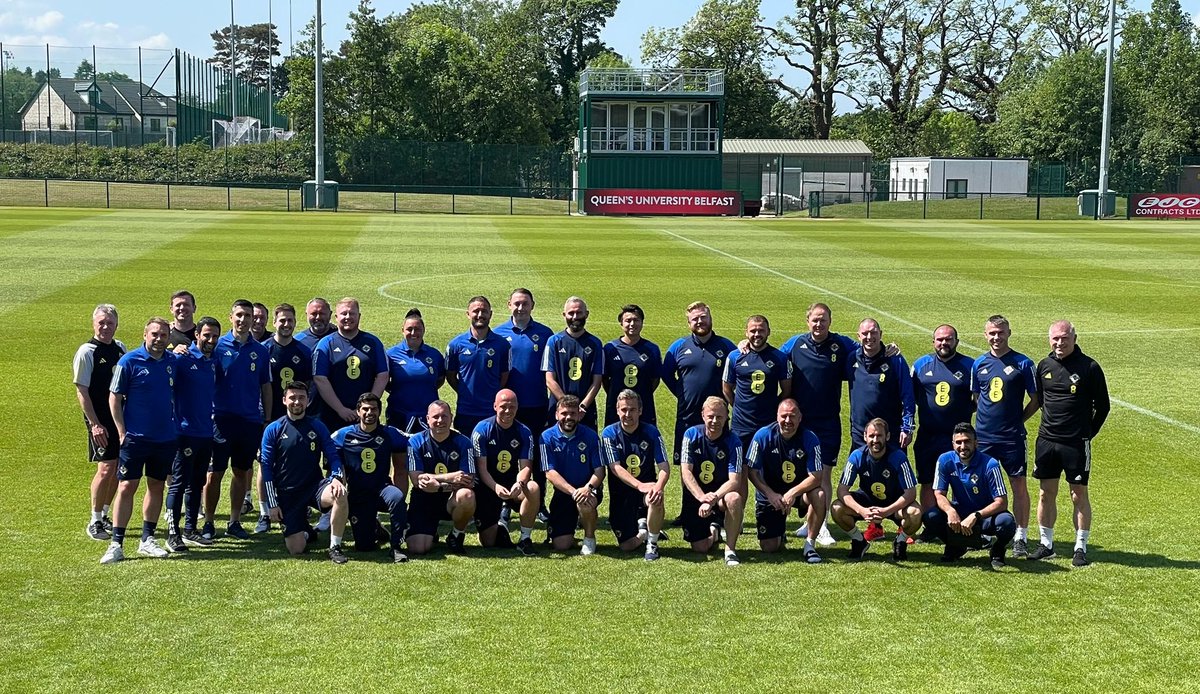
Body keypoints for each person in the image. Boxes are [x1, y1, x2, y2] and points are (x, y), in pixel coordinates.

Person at [780, 303, 867, 546]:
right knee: (803, 474)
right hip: (798, 423)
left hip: (828, 422)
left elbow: (868, 350)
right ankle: (809, 522)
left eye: (823, 320)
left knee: (824, 474)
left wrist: (889, 350)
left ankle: (822, 526)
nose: (819, 324)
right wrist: (745, 346)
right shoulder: (795, 344)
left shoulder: (842, 345)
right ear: (807, 321)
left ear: (830, 321)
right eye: (815, 320)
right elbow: (772, 358)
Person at [1030, 320, 1110, 567]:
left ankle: (1080, 547)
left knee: (1078, 495)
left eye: (1064, 338)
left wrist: (1087, 434)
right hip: (1046, 441)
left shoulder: (1090, 367)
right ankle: (1046, 545)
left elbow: (1103, 406)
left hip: (1075, 444)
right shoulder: (1044, 366)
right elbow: (1041, 400)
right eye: (1055, 338)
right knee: (1046, 493)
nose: (1059, 343)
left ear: (1074, 338)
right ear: (1049, 340)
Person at [100, 318, 178, 564]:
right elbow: (114, 398)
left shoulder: (172, 362)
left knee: (156, 486)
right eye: (154, 334)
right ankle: (116, 543)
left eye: (163, 335)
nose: (159, 339)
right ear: (145, 334)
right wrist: (122, 432)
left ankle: (147, 539)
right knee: (126, 487)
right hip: (135, 439)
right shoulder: (129, 361)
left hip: (164, 438)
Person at [202, 299, 271, 542]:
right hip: (220, 419)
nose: (243, 320)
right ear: (231, 317)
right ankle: (209, 521)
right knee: (214, 474)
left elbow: (266, 386)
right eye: (239, 315)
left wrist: (267, 420)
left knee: (242, 472)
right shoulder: (216, 346)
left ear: (254, 320)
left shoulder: (261, 351)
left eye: (248, 316)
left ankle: (234, 521)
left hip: (250, 421)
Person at [971, 315, 1039, 558]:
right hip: (984, 436)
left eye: (1000, 333)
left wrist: (1018, 420)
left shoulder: (1023, 363)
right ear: (985, 335)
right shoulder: (978, 364)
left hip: (1012, 437)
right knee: (983, 486)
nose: (996, 337)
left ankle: (1020, 536)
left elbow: (1036, 399)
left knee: (1018, 484)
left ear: (1009, 333)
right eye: (992, 333)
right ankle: (986, 531)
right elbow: (977, 398)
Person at [662, 302, 737, 525]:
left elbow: (738, 370)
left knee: (718, 464)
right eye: (695, 319)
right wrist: (683, 395)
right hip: (687, 417)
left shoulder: (726, 347)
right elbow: (666, 375)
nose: (700, 322)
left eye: (703, 317)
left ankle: (718, 512)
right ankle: (688, 512)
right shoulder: (678, 347)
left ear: (710, 318)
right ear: (688, 323)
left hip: (717, 420)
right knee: (688, 465)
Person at [259, 381, 350, 564]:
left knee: (340, 493)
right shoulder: (273, 429)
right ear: (284, 400)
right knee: (296, 549)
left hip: (314, 486)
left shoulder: (317, 426)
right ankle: (305, 530)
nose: (297, 402)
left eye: (301, 397)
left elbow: (333, 457)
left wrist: (336, 478)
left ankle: (335, 547)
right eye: (292, 397)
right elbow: (266, 468)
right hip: (288, 493)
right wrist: (273, 504)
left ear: (308, 400)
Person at [493, 288, 555, 520]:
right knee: (507, 455)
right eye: (516, 303)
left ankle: (538, 504)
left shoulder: (546, 334)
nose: (521, 308)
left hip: (537, 405)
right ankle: (506, 504)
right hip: (508, 409)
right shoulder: (498, 334)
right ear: (509, 305)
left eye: (525, 304)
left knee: (537, 456)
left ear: (532, 305)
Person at [922, 423, 1015, 568]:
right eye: (958, 442)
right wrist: (950, 511)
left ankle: (998, 550)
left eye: (967, 441)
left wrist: (976, 515)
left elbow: (1002, 502)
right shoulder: (944, 460)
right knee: (930, 516)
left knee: (1007, 523)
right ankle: (955, 545)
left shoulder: (990, 464)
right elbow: (939, 494)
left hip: (985, 516)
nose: (963, 446)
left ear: (976, 443)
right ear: (953, 444)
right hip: (960, 513)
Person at [331, 393, 410, 563]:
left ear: (379, 411)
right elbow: (327, 448)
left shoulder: (390, 433)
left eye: (374, 409)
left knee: (397, 498)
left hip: (382, 488)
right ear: (358, 411)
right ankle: (375, 526)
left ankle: (396, 546)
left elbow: (415, 439)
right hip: (358, 494)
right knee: (364, 546)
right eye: (365, 409)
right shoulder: (343, 435)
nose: (369, 412)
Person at [257, 303, 314, 532]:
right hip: (270, 418)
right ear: (274, 323)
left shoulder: (303, 351)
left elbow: (308, 384)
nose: (286, 324)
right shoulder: (263, 349)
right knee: (265, 463)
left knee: (298, 460)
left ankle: (301, 506)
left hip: (296, 417)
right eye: (282, 320)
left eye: (290, 320)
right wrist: (266, 416)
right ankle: (264, 512)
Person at [745, 399, 825, 563]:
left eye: (792, 416)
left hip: (799, 493)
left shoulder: (810, 438)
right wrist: (770, 494)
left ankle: (810, 545)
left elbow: (817, 476)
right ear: (777, 416)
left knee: (819, 494)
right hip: (770, 494)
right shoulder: (763, 435)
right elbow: (752, 471)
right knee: (769, 547)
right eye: (784, 416)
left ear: (800, 418)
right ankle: (778, 530)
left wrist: (792, 493)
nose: (788, 421)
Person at [165, 316, 220, 552]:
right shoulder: (182, 358)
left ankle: (190, 529)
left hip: (205, 433)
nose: (210, 340)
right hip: (184, 432)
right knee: (178, 483)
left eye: (215, 336)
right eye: (206, 335)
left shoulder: (213, 360)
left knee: (197, 483)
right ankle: (172, 532)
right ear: (196, 334)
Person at [831, 419, 922, 561]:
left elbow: (910, 492)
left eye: (879, 436)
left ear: (887, 436)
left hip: (894, 503)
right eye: (872, 436)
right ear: (865, 437)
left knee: (915, 513)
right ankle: (859, 541)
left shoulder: (898, 457)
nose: (875, 440)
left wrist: (887, 511)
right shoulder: (857, 456)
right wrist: (861, 510)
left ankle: (901, 541)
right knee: (836, 508)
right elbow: (842, 490)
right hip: (867, 501)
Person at [911, 324, 975, 514]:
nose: (944, 343)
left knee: (961, 480)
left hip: (958, 437)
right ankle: (930, 524)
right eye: (940, 339)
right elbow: (911, 396)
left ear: (957, 341)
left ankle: (961, 523)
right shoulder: (921, 364)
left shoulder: (970, 365)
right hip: (928, 435)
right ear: (933, 342)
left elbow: (979, 399)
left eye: (948, 339)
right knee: (928, 481)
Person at [74, 304, 126, 540]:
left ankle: (105, 514)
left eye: (110, 323)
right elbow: (82, 391)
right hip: (100, 420)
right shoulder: (87, 351)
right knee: (105, 468)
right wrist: (94, 423)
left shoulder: (120, 349)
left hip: (119, 418)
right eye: (101, 322)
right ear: (94, 323)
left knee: (116, 468)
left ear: (116, 324)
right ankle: (94, 520)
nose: (106, 327)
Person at [600, 390, 669, 561]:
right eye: (623, 410)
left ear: (640, 410)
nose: (627, 414)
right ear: (617, 411)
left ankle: (652, 544)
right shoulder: (609, 434)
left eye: (632, 409)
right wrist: (639, 484)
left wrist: (657, 487)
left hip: (646, 491)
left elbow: (664, 467)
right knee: (626, 546)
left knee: (656, 497)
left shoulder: (652, 432)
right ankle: (645, 532)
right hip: (621, 494)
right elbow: (615, 468)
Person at [471, 389, 540, 556]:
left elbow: (525, 466)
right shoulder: (482, 430)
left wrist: (520, 483)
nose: (508, 411)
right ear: (495, 406)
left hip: (511, 483)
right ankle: (500, 524)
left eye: (512, 406)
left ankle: (525, 539)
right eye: (503, 406)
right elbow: (481, 468)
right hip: (487, 485)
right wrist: (495, 487)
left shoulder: (524, 432)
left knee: (533, 487)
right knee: (489, 543)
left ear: (517, 407)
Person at [679, 397, 746, 567]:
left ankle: (730, 550)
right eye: (711, 416)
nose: (715, 421)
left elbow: (735, 481)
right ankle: (715, 531)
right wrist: (702, 497)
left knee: (734, 498)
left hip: (721, 495)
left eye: (719, 417)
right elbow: (686, 472)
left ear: (726, 417)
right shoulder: (691, 435)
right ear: (702, 415)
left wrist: (713, 498)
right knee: (700, 548)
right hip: (698, 496)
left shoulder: (734, 442)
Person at [406, 400, 477, 556]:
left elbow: (469, 480)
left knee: (467, 495)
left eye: (444, 416)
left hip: (451, 499)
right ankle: (429, 532)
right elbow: (417, 480)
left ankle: (456, 535)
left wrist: (437, 485)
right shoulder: (415, 441)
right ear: (427, 419)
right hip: (424, 498)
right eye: (435, 417)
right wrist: (451, 477)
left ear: (451, 418)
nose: (440, 421)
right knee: (418, 549)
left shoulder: (463, 442)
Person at [313, 297, 389, 435]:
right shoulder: (326, 343)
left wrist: (367, 407)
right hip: (332, 416)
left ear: (359, 316)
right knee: (334, 455)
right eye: (343, 313)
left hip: (366, 418)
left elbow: (383, 375)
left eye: (352, 313)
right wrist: (340, 409)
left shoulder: (373, 342)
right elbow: (320, 378)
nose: (348, 317)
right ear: (336, 317)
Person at [540, 395, 605, 555]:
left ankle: (589, 538)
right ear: (556, 414)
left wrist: (587, 488)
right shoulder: (546, 437)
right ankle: (570, 523)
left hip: (588, 489)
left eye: (573, 413)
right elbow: (550, 473)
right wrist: (572, 491)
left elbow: (600, 472)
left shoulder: (591, 436)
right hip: (565, 492)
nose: (568, 417)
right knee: (561, 545)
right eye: (564, 413)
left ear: (579, 415)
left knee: (585, 502)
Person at [723, 314, 792, 449]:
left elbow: (787, 390)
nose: (757, 334)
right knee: (740, 465)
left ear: (768, 332)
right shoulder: (735, 356)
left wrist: (773, 407)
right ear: (746, 332)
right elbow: (726, 388)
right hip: (741, 424)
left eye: (761, 330)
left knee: (765, 467)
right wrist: (739, 407)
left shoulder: (780, 358)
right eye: (753, 331)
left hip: (768, 423)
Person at [846, 318, 914, 450]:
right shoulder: (851, 358)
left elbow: (908, 396)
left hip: (889, 435)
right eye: (865, 333)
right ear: (858, 336)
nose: (869, 337)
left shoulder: (895, 360)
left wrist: (907, 428)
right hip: (860, 435)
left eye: (873, 332)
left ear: (881, 334)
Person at [446, 296, 511, 435]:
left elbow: (504, 376)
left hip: (491, 411)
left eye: (484, 311)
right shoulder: (455, 345)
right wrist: (464, 391)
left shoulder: (502, 345)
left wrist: (491, 393)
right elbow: (450, 376)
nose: (480, 315)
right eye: (476, 311)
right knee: (466, 452)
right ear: (468, 313)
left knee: (490, 453)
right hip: (466, 410)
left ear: (490, 314)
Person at [542, 296, 604, 430]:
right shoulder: (554, 341)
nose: (575, 316)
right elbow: (549, 380)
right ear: (564, 315)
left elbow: (597, 381)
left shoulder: (595, 343)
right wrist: (567, 406)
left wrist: (582, 407)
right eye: (571, 313)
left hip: (585, 410)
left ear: (586, 314)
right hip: (559, 408)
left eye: (579, 312)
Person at [385, 308, 446, 434]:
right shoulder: (391, 355)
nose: (413, 333)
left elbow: (440, 379)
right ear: (402, 331)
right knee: (399, 451)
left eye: (417, 329)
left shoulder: (434, 355)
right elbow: (383, 380)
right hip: (399, 414)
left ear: (423, 330)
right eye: (409, 329)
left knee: (427, 451)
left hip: (428, 416)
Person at [601, 304, 662, 428]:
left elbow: (655, 379)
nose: (632, 324)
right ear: (621, 324)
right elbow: (604, 379)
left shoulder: (652, 349)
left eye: (636, 320)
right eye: (628, 321)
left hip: (644, 407)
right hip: (616, 407)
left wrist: (640, 394)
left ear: (642, 322)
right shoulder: (610, 349)